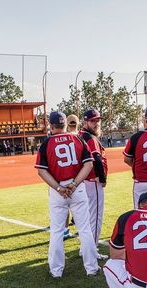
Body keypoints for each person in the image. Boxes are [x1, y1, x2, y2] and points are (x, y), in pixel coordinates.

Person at [35, 111, 99, 277]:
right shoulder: (78, 139)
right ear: (65, 124)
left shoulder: (47, 143)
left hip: (58, 191)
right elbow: (89, 165)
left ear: (51, 125)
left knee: (57, 231)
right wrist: (74, 184)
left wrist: (58, 187)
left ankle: (56, 271)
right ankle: (91, 268)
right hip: (76, 188)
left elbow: (41, 171)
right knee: (85, 229)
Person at [80, 109, 108, 258]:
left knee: (86, 218)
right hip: (92, 181)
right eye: (93, 121)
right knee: (95, 218)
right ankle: (91, 251)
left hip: (82, 182)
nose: (96, 123)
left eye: (98, 120)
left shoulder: (80, 135)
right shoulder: (90, 138)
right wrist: (102, 178)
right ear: (86, 122)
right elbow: (96, 159)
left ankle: (84, 248)